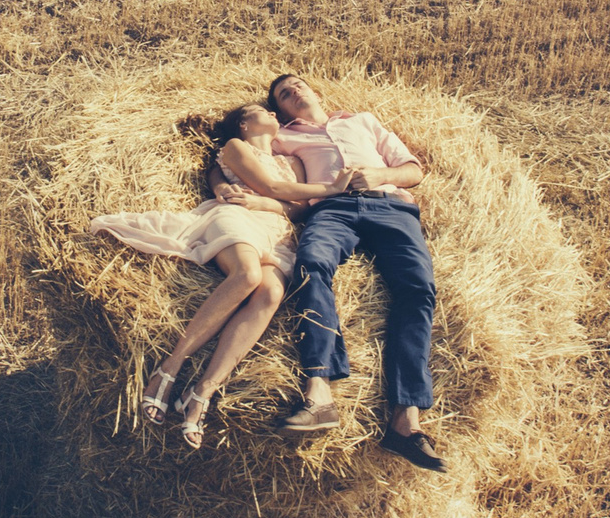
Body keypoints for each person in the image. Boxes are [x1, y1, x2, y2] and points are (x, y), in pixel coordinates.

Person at [88, 104, 348, 448]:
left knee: (270, 294)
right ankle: (170, 367)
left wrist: (270, 204)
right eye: (262, 110)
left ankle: (202, 391)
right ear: (243, 123)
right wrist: (329, 190)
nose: (272, 113)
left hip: (278, 231)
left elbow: (298, 209)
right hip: (236, 216)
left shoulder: (295, 163)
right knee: (247, 274)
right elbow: (270, 185)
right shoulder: (236, 148)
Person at [264, 72, 446, 472]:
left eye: (297, 84)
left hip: (391, 207)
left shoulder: (362, 121)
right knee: (310, 266)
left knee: (418, 289)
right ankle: (319, 393)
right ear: (279, 108)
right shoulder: (284, 137)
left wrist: (379, 175)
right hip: (333, 210)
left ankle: (405, 421)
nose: (293, 91)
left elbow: (412, 170)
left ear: (313, 90)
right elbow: (242, 156)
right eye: (282, 94)